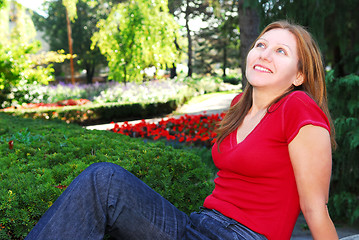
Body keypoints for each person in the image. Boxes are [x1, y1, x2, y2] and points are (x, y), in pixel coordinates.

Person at [25, 20, 339, 240]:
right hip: (197, 226)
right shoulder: (239, 105)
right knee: (102, 179)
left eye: (281, 52)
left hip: (244, 236)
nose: (265, 54)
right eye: (261, 45)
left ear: (299, 74)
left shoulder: (298, 107)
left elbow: (315, 208)